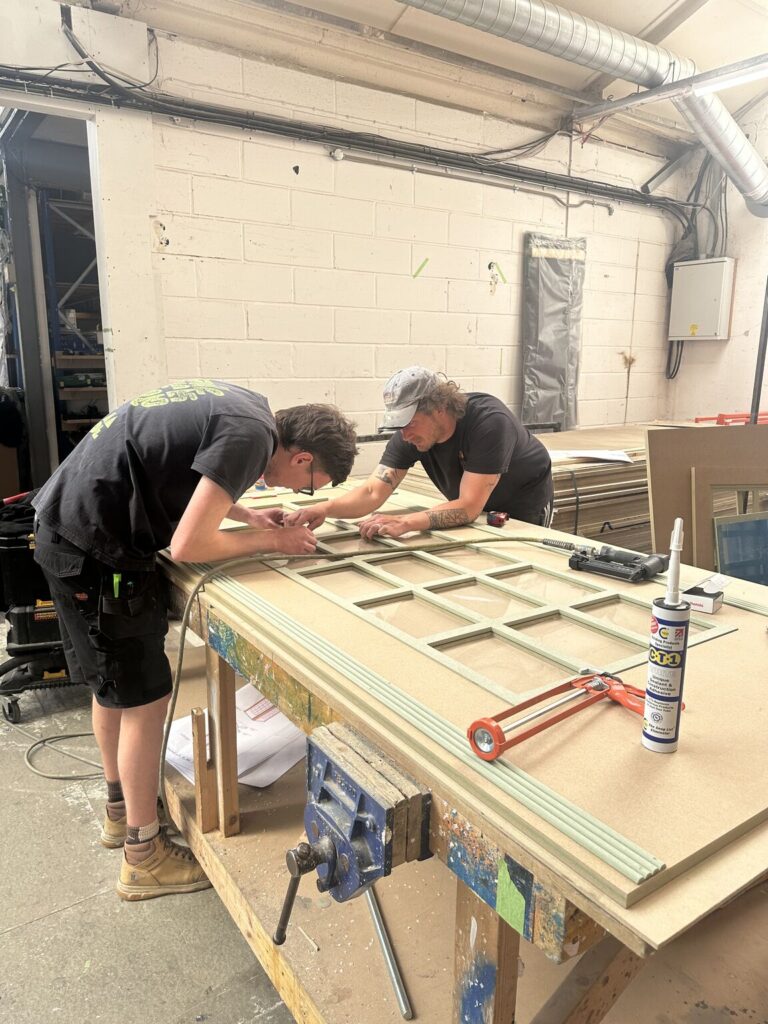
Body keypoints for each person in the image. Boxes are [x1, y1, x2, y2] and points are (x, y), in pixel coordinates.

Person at [32, 378, 357, 901]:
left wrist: (247, 515)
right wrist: (275, 538)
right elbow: (187, 545)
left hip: (72, 527)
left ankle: (121, 811)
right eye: (311, 485)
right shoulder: (250, 438)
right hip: (98, 549)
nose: (304, 493)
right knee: (144, 701)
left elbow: (190, 473)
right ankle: (143, 855)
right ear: (302, 458)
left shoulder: (250, 411)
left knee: (113, 689)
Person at [285, 366, 553, 538]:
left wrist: (406, 522)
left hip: (521, 505)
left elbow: (468, 506)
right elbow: (372, 492)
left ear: (439, 408)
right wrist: (323, 508)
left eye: (410, 423)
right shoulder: (410, 435)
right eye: (399, 425)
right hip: (473, 507)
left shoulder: (489, 423)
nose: (404, 435)